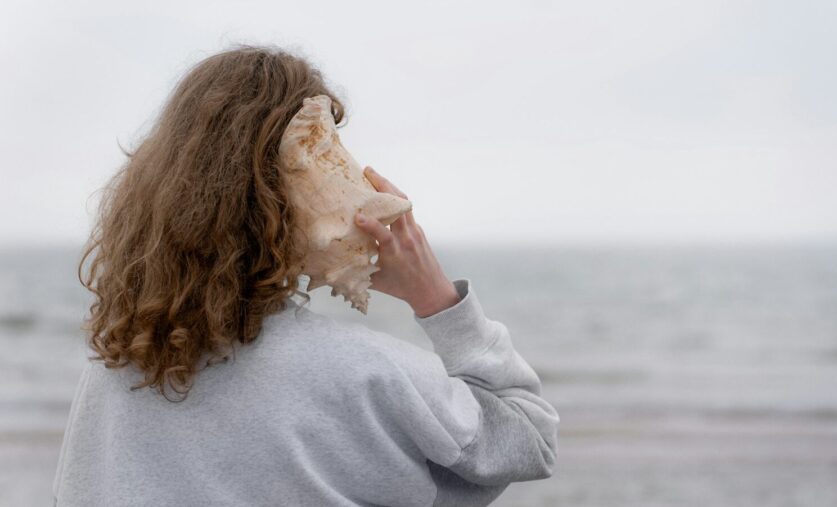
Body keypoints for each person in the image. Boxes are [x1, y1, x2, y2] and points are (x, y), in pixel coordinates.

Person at [53, 44, 559, 507]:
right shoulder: (364, 376)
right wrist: (438, 299)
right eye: (327, 149)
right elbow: (529, 439)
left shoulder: (112, 371)